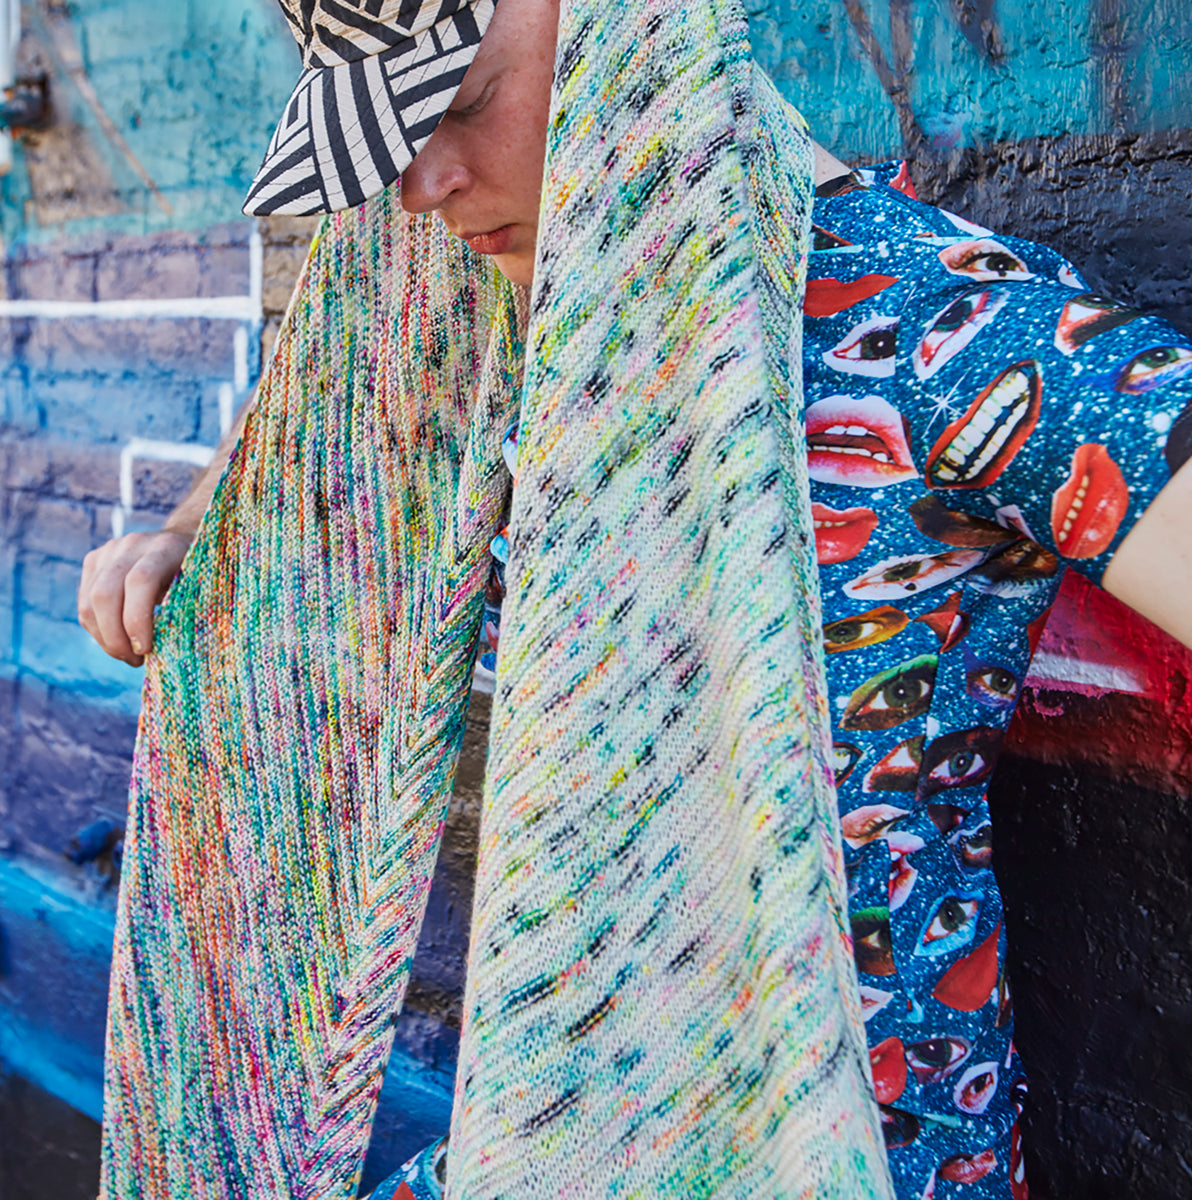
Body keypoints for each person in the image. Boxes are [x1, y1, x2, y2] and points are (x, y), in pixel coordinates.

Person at [80, 1, 1192, 1198]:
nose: (421, 186)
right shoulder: (507, 318)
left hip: (831, 1152)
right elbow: (319, 407)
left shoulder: (945, 329)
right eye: (389, 138)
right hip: (540, 1134)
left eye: (463, 104)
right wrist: (187, 532)